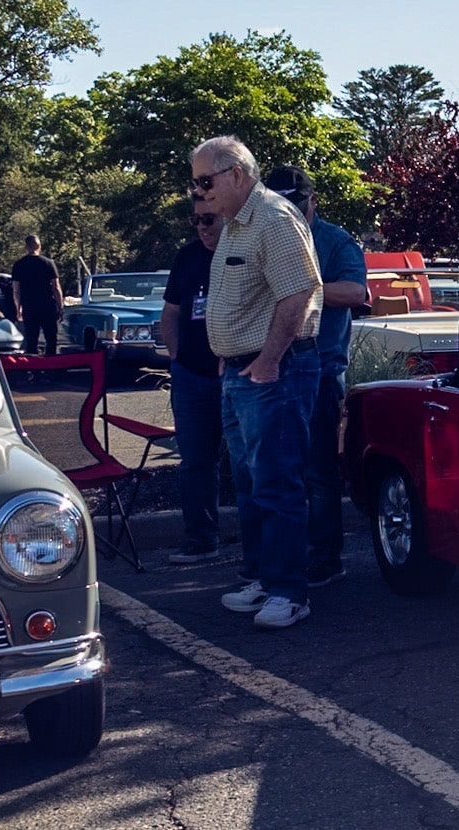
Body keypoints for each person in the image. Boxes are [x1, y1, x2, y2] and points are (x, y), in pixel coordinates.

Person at [194, 136, 324, 630]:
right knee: (251, 483)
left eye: (205, 180)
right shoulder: (235, 223)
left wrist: (268, 359)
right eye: (195, 182)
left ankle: (289, 592)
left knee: (277, 481)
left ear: (237, 174)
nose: (199, 191)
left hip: (275, 372)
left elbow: (299, 294)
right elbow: (243, 299)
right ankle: (265, 579)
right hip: (243, 371)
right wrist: (229, 355)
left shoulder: (272, 218)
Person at [265, 165, 370, 588]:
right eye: (279, 205)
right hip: (270, 366)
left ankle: (326, 557)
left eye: (295, 203)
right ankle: (279, 558)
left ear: (313, 200)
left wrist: (304, 289)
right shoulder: (264, 237)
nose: (288, 212)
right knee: (273, 470)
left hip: (321, 371)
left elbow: (357, 292)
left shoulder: (335, 240)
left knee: (318, 472)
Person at [160, 200, 226, 565]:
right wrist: (176, 356)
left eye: (209, 219)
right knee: (195, 462)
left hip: (235, 373)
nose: (202, 227)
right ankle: (201, 539)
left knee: (249, 464)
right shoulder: (186, 257)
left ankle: (261, 553)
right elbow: (171, 312)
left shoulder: (241, 251)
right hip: (190, 374)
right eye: (196, 220)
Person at [10, 235, 65, 355]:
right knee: (51, 339)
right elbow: (56, 287)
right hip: (48, 306)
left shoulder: (19, 265)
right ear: (39, 246)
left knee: (31, 339)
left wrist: (18, 309)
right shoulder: (48, 263)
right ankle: (51, 363)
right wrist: (60, 307)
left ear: (26, 247)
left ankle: (33, 363)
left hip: (29, 307)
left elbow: (16, 290)